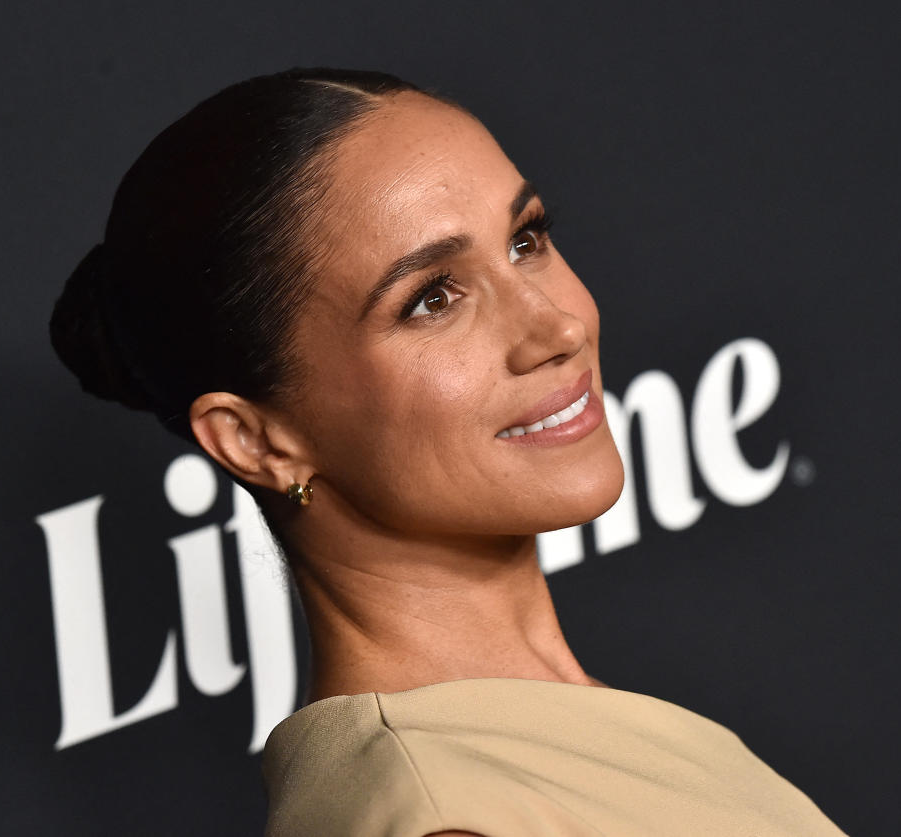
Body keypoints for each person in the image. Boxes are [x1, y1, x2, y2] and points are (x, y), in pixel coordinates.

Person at [50, 67, 845, 837]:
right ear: (257, 439)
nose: (558, 328)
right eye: (432, 298)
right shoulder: (443, 812)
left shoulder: (545, 739)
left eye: (526, 240)